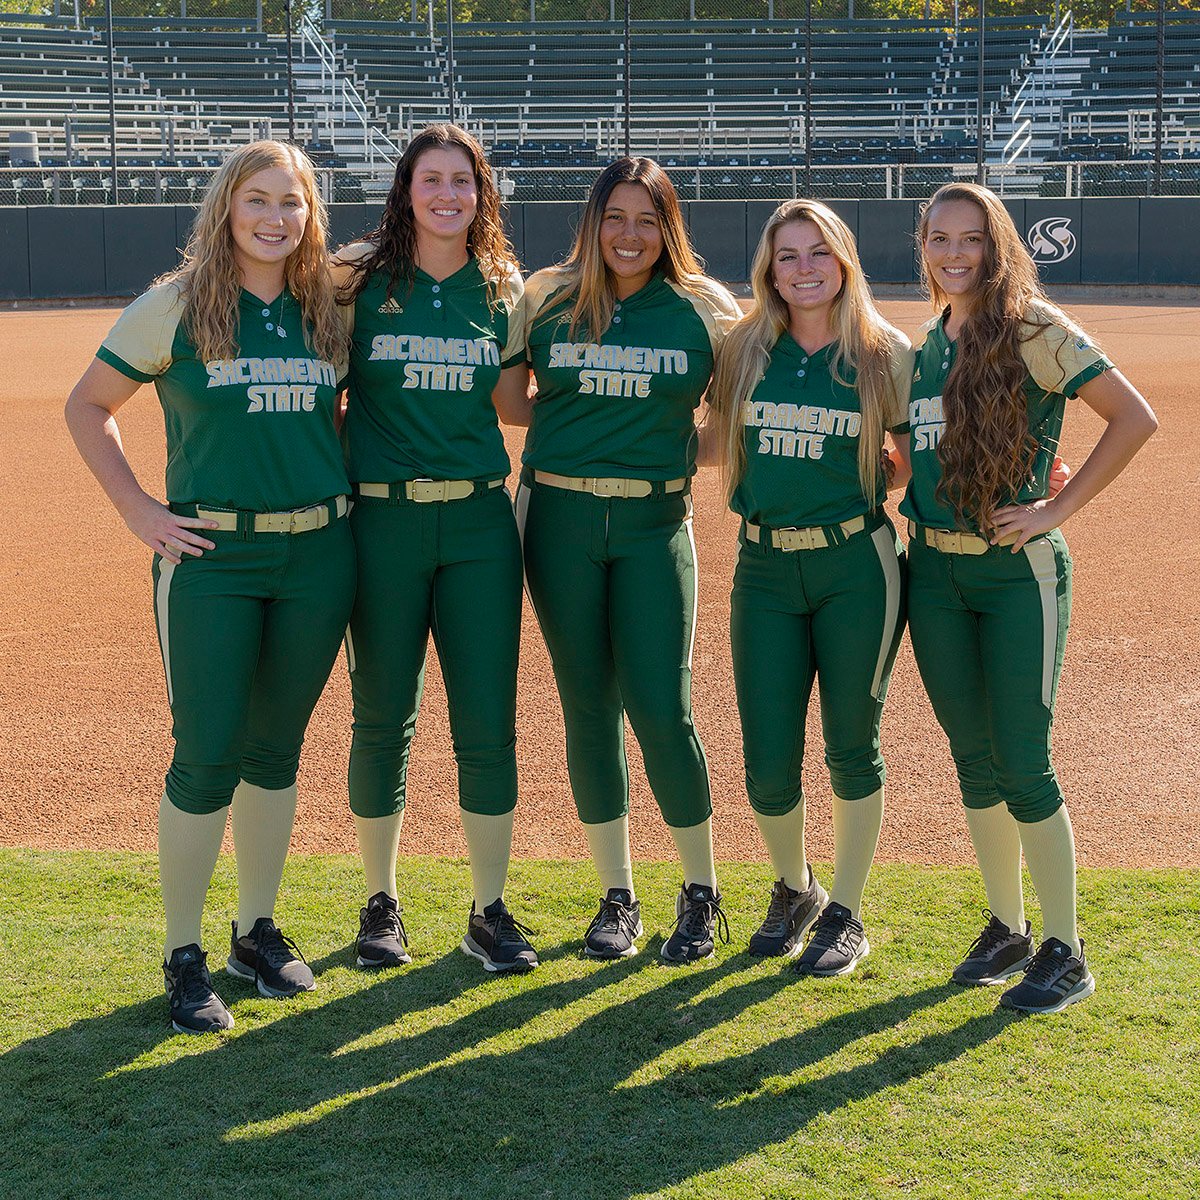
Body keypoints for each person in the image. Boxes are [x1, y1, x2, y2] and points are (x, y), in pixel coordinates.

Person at [64, 141, 355, 1034]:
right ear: (228, 206)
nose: (276, 218)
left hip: (316, 554)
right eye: (259, 200)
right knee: (207, 752)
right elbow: (87, 406)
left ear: (311, 214)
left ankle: (255, 931)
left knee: (275, 752)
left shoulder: (326, 310)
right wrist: (137, 509)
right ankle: (183, 953)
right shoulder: (178, 304)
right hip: (212, 561)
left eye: (293, 203)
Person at [904, 182, 1157, 1013]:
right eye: (939, 238)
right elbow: (918, 461)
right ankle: (1008, 927)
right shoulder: (926, 343)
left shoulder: (1035, 328)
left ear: (996, 244)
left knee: (1022, 760)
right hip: (934, 575)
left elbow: (1133, 417)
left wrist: (1057, 507)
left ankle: (1067, 948)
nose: (953, 254)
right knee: (972, 759)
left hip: (1015, 574)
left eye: (969, 239)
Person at [517, 156, 742, 963]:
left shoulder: (704, 307)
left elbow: (747, 409)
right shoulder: (544, 297)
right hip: (557, 518)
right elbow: (513, 403)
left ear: (669, 227)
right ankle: (617, 894)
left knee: (662, 708)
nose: (630, 234)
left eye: (648, 219)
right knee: (587, 709)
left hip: (652, 523)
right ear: (593, 220)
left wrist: (676, 452)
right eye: (616, 216)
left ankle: (701, 891)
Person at [332, 124, 537, 973]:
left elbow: (516, 404)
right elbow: (323, 392)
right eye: (431, 181)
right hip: (382, 525)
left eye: (464, 182)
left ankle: (488, 907)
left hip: (481, 529)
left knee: (487, 725)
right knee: (383, 718)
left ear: (482, 194)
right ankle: (381, 902)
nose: (448, 195)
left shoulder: (505, 289)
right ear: (406, 190)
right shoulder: (356, 281)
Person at [706, 199, 912, 974]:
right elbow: (713, 440)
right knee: (766, 758)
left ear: (844, 261)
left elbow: (913, 452)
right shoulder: (744, 350)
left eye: (817, 252)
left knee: (852, 747)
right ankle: (796, 889)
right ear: (769, 269)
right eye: (787, 255)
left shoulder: (882, 353)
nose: (803, 268)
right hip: (762, 568)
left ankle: (848, 910)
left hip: (855, 565)